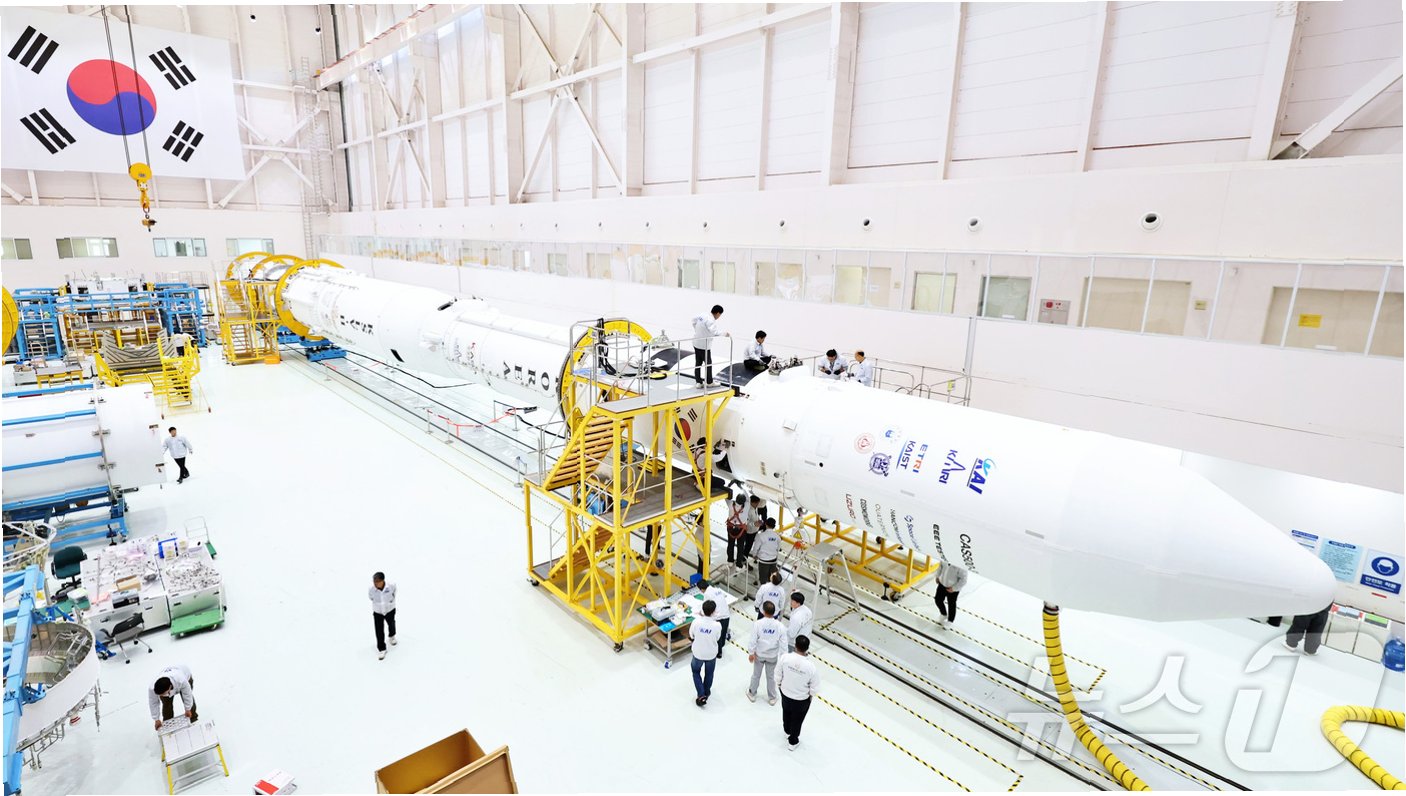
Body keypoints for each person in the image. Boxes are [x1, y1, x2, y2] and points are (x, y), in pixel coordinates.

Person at [777, 635, 820, 750]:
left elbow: (778, 674)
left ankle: (787, 731)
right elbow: (815, 687)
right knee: (797, 720)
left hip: (786, 694)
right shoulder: (811, 667)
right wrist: (810, 696)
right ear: (807, 648)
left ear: (795, 646)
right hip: (801, 699)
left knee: (786, 713)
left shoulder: (785, 658)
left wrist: (780, 686)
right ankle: (793, 742)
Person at [747, 599, 787, 705]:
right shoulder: (780, 626)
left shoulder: (758, 624)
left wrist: (751, 653)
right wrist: (783, 659)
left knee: (756, 675)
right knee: (771, 677)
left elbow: (753, 640)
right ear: (774, 612)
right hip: (772, 656)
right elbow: (784, 644)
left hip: (759, 655)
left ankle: (752, 693)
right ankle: (772, 697)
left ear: (763, 611)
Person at [689, 599, 723, 706]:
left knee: (695, 672)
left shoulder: (696, 622)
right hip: (711, 654)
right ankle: (706, 692)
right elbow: (717, 638)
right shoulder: (717, 625)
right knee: (709, 673)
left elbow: (691, 635)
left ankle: (701, 694)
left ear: (702, 610)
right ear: (713, 612)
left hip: (698, 653)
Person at [149, 665, 197, 731]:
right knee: (166, 704)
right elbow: (153, 703)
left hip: (185, 676)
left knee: (189, 701)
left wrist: (188, 709)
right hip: (168, 680)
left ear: (169, 688)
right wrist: (156, 719)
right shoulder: (152, 688)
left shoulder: (181, 680)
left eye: (163, 694)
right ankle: (168, 727)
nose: (162, 696)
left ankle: (193, 719)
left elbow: (187, 695)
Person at [690, 305, 729, 385]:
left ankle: (698, 382)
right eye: (720, 315)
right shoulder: (711, 320)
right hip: (704, 346)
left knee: (698, 363)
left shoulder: (703, 315)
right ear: (718, 313)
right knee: (708, 364)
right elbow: (714, 332)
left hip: (696, 342)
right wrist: (724, 333)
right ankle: (709, 382)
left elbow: (693, 321)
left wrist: (697, 331)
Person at [369, 571, 397, 660]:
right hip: (378, 612)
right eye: (374, 581)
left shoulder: (391, 586)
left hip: (390, 609)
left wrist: (390, 601)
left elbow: (394, 593)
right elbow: (371, 597)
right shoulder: (371, 589)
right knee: (379, 630)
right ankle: (382, 649)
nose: (375, 583)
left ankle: (392, 636)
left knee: (391, 624)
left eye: (377, 581)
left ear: (382, 581)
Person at [701, 579, 731, 658]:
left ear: (702, 589)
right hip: (726, 615)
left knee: (717, 636)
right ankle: (721, 648)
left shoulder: (707, 594)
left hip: (718, 618)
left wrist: (702, 613)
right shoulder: (717, 590)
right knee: (723, 633)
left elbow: (705, 607)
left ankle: (718, 653)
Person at [754, 517, 783, 586]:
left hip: (763, 561)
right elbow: (778, 548)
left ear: (766, 524)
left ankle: (763, 589)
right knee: (772, 578)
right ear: (774, 526)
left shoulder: (761, 536)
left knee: (763, 579)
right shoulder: (777, 536)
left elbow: (755, 548)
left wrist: (754, 555)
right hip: (773, 560)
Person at [725, 495, 747, 567]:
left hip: (731, 528)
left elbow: (726, 497)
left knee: (730, 544)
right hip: (741, 530)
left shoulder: (730, 504)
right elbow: (748, 498)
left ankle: (730, 561)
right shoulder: (746, 507)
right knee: (740, 547)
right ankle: (738, 565)